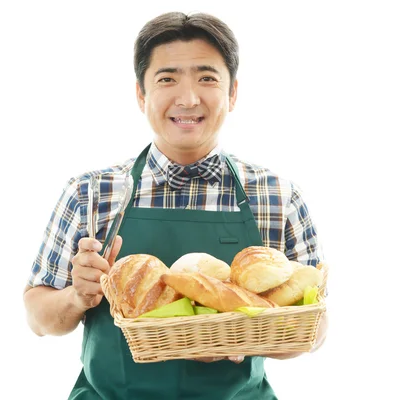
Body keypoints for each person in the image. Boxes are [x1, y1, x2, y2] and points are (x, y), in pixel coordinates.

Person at [23, 11, 327, 400]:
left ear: (232, 93)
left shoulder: (278, 197)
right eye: (167, 79)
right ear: (140, 93)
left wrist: (237, 335)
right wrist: (77, 296)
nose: (188, 98)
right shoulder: (91, 193)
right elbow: (37, 317)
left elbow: (313, 331)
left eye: (207, 78)